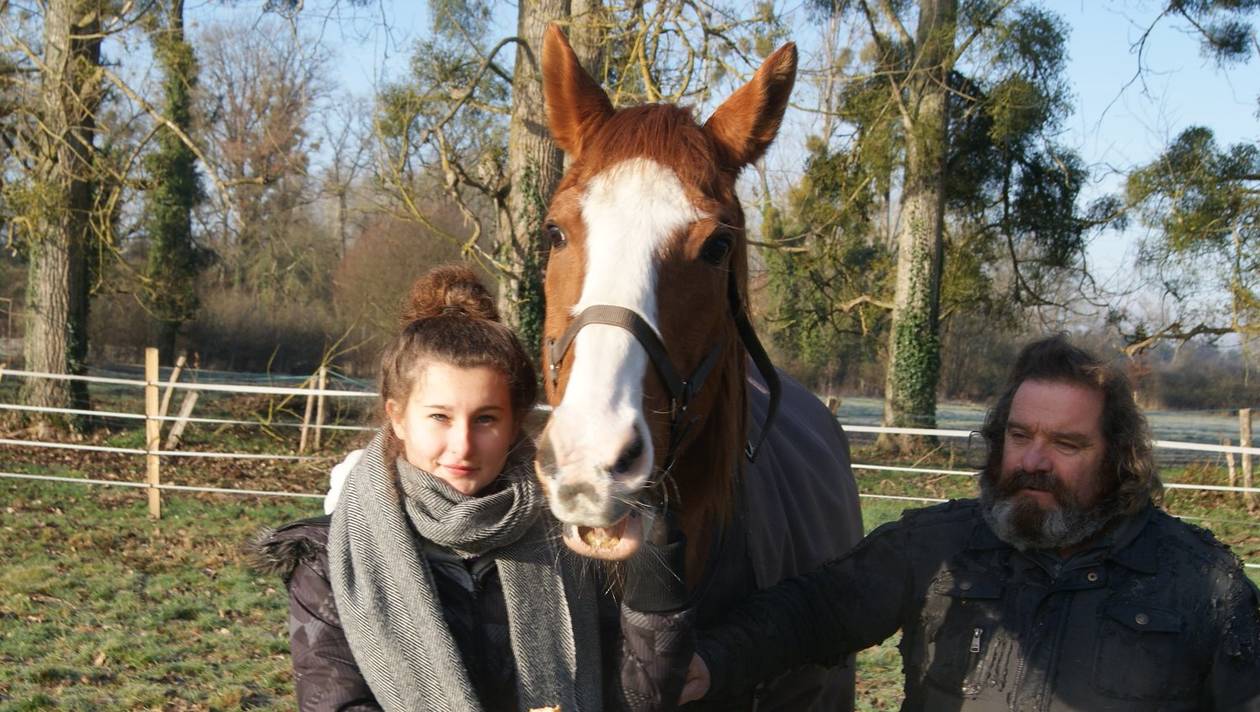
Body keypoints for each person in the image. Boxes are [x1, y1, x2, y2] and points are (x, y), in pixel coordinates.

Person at [683, 334, 1260, 711]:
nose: (1033, 461)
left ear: (1117, 455)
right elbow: (814, 612)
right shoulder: (941, 547)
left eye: (1066, 443)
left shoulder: (1202, 586)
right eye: (1019, 436)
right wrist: (709, 663)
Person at [251, 265, 693, 712]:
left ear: (515, 422)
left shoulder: (575, 539)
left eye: (485, 419)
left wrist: (652, 567)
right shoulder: (329, 558)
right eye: (439, 417)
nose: (461, 446)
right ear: (398, 418)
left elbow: (641, 699)